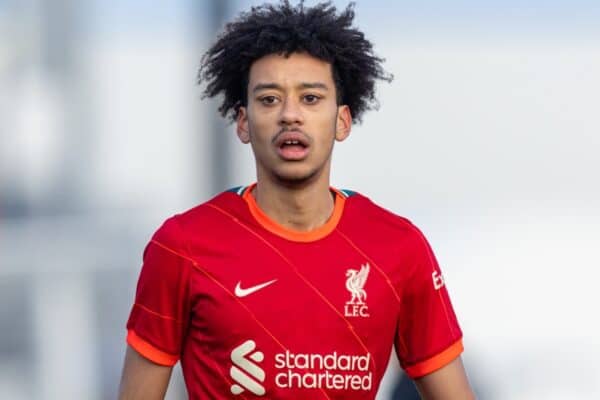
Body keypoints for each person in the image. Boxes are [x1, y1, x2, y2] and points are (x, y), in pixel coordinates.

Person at [118, 1, 475, 399]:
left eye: (310, 98)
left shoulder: (399, 248)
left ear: (342, 121)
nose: (290, 115)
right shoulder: (182, 246)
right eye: (269, 99)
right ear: (242, 122)